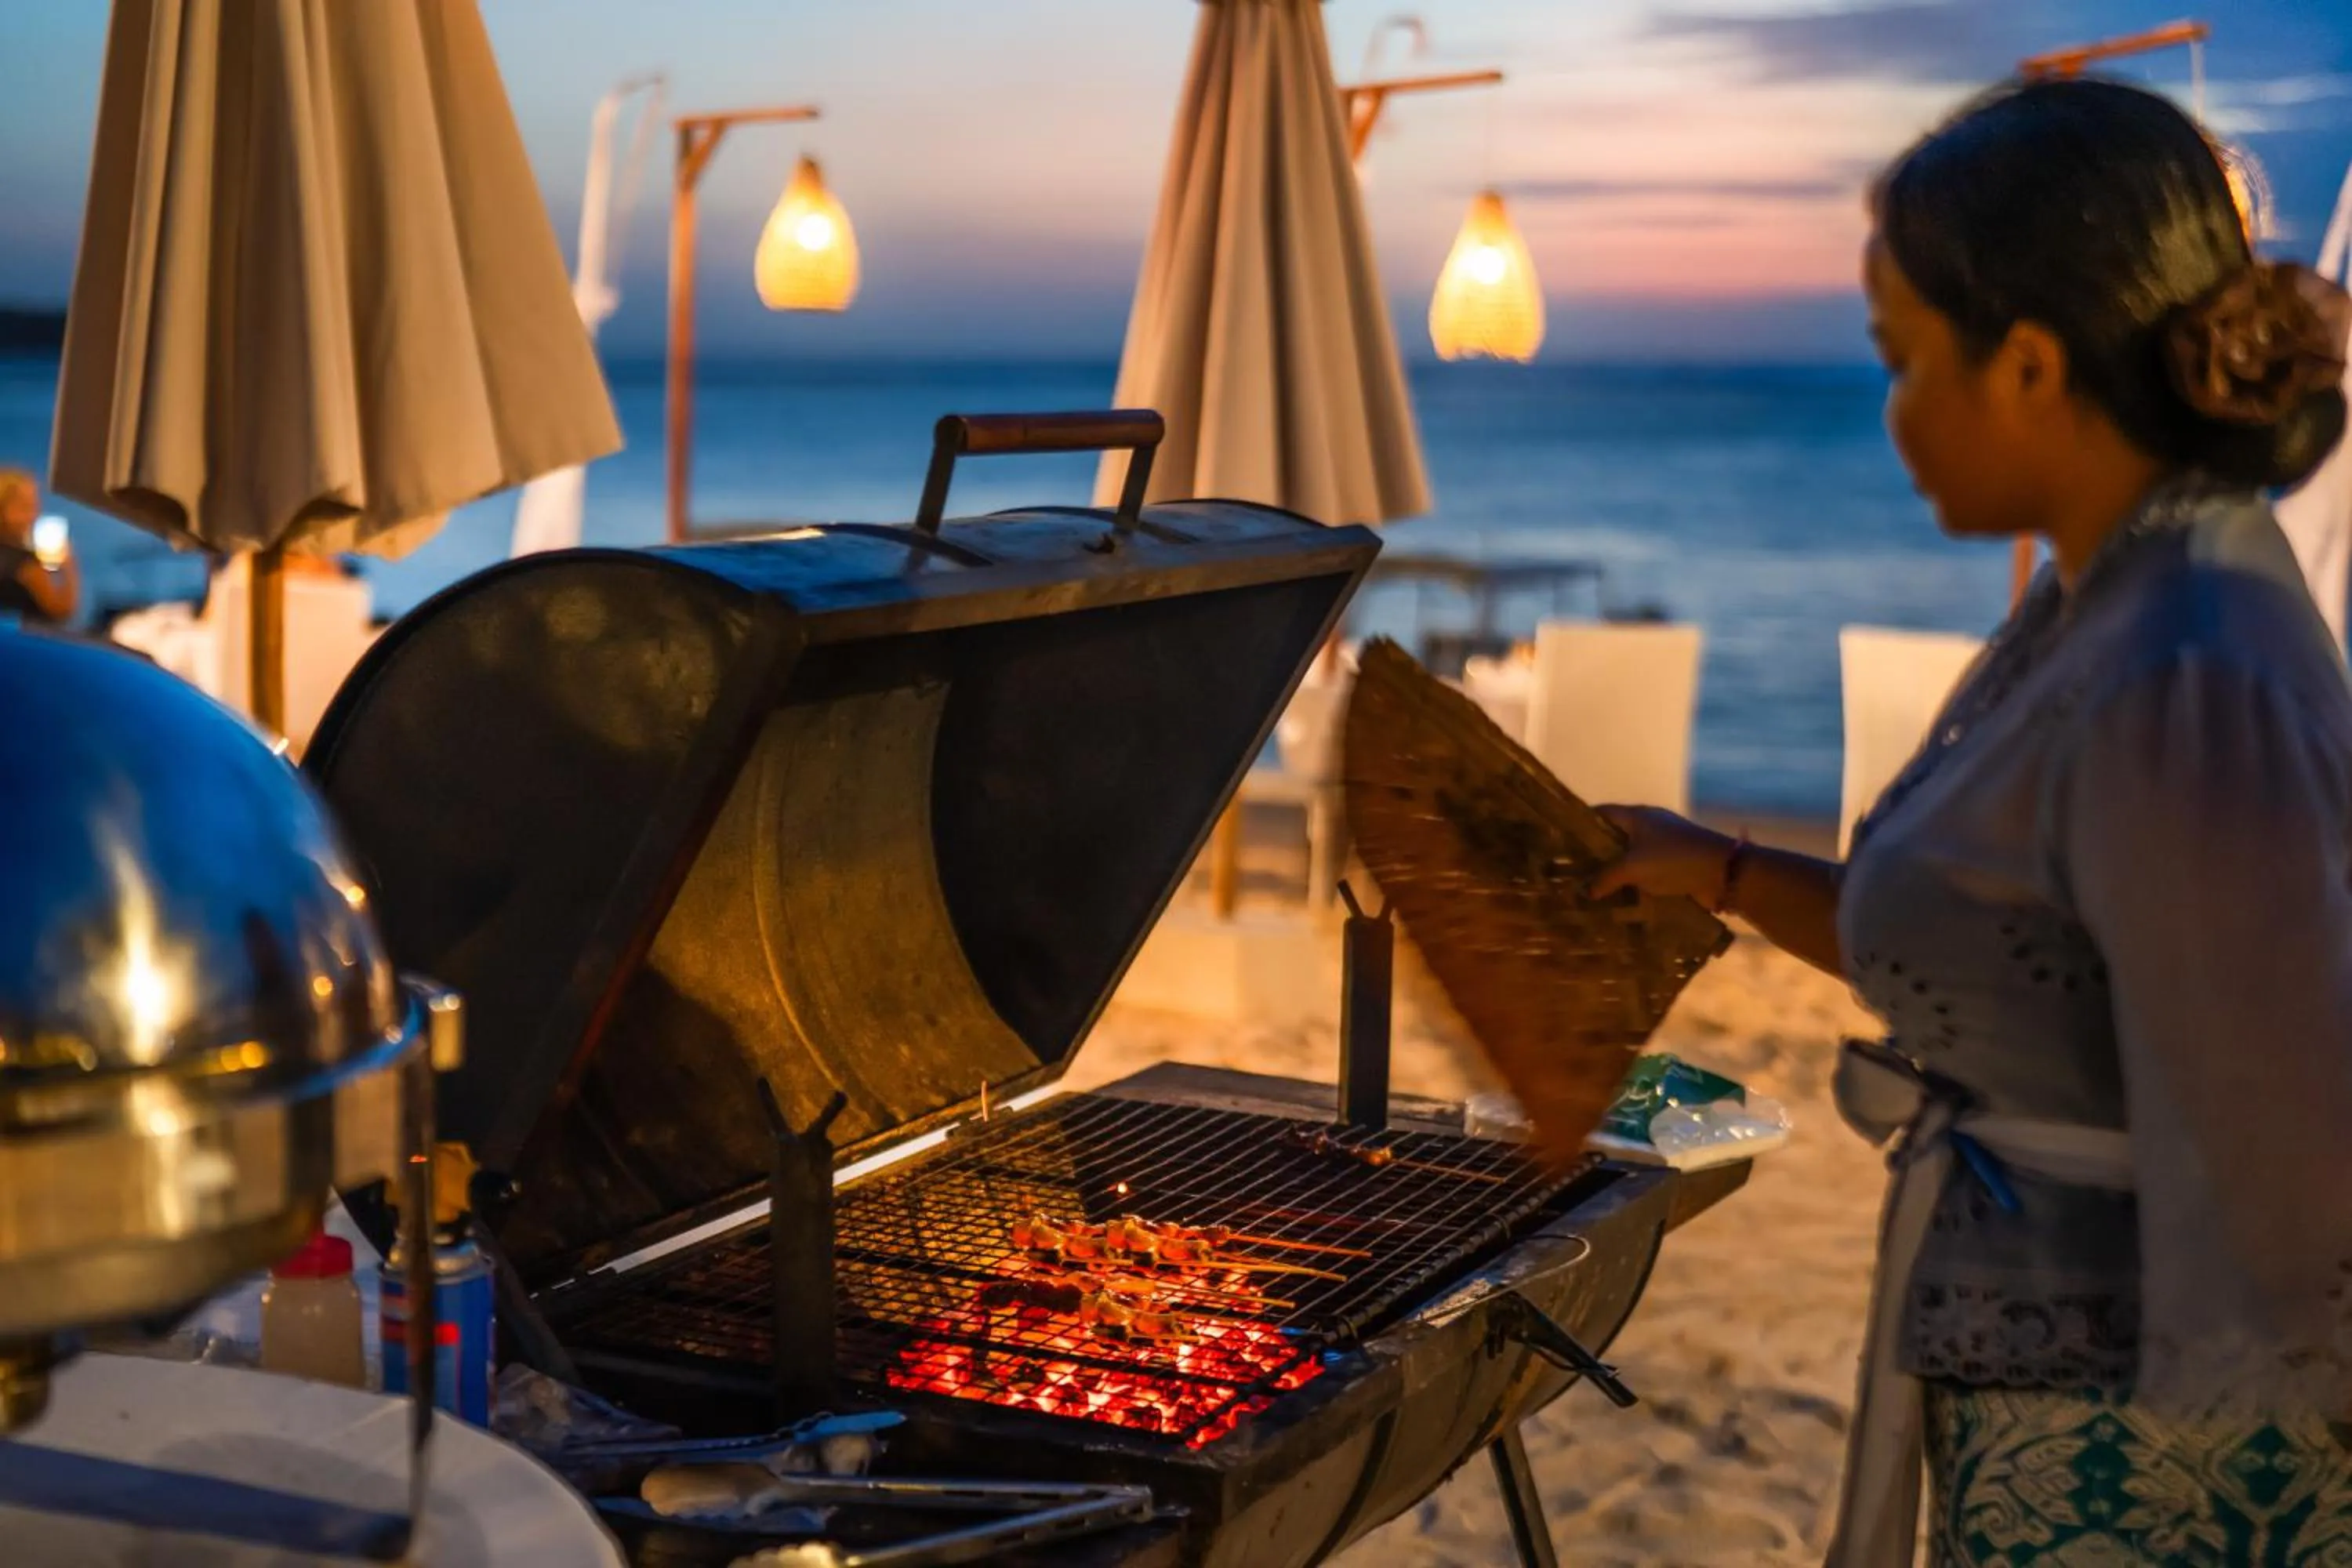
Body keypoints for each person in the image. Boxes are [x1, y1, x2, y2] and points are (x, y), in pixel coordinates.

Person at [1592, 79, 2352, 1566]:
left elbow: (2300, 1159)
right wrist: (1732, 872)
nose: (1889, 415)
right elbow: (2021, 960)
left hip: (2159, 1463)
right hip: (2056, 1398)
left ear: (2023, 366)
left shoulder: (2182, 663)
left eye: (1900, 360)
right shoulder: (2107, 597)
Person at [0, 468, 81, 626]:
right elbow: (62, 611)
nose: (34, 515)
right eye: (25, 507)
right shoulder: (25, 564)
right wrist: (69, 567)